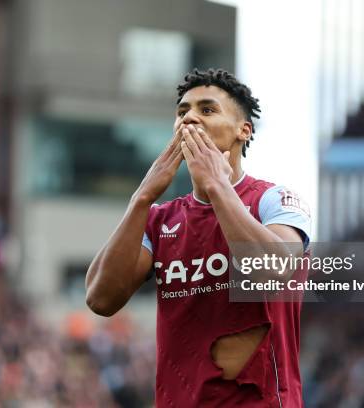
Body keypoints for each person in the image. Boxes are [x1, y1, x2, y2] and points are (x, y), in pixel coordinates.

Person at [86, 68, 311, 407]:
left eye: (207, 110)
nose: (189, 118)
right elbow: (100, 299)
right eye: (182, 112)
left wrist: (217, 186)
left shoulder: (273, 201)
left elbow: (272, 270)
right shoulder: (160, 219)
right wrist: (142, 198)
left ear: (243, 131)